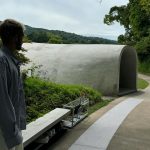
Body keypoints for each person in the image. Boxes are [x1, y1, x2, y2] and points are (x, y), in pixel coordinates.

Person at [0, 19, 26, 150]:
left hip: (12, 128)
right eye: (21, 36)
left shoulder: (10, 60)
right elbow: (2, 101)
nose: (22, 40)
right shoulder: (2, 61)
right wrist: (13, 134)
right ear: (15, 37)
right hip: (5, 133)